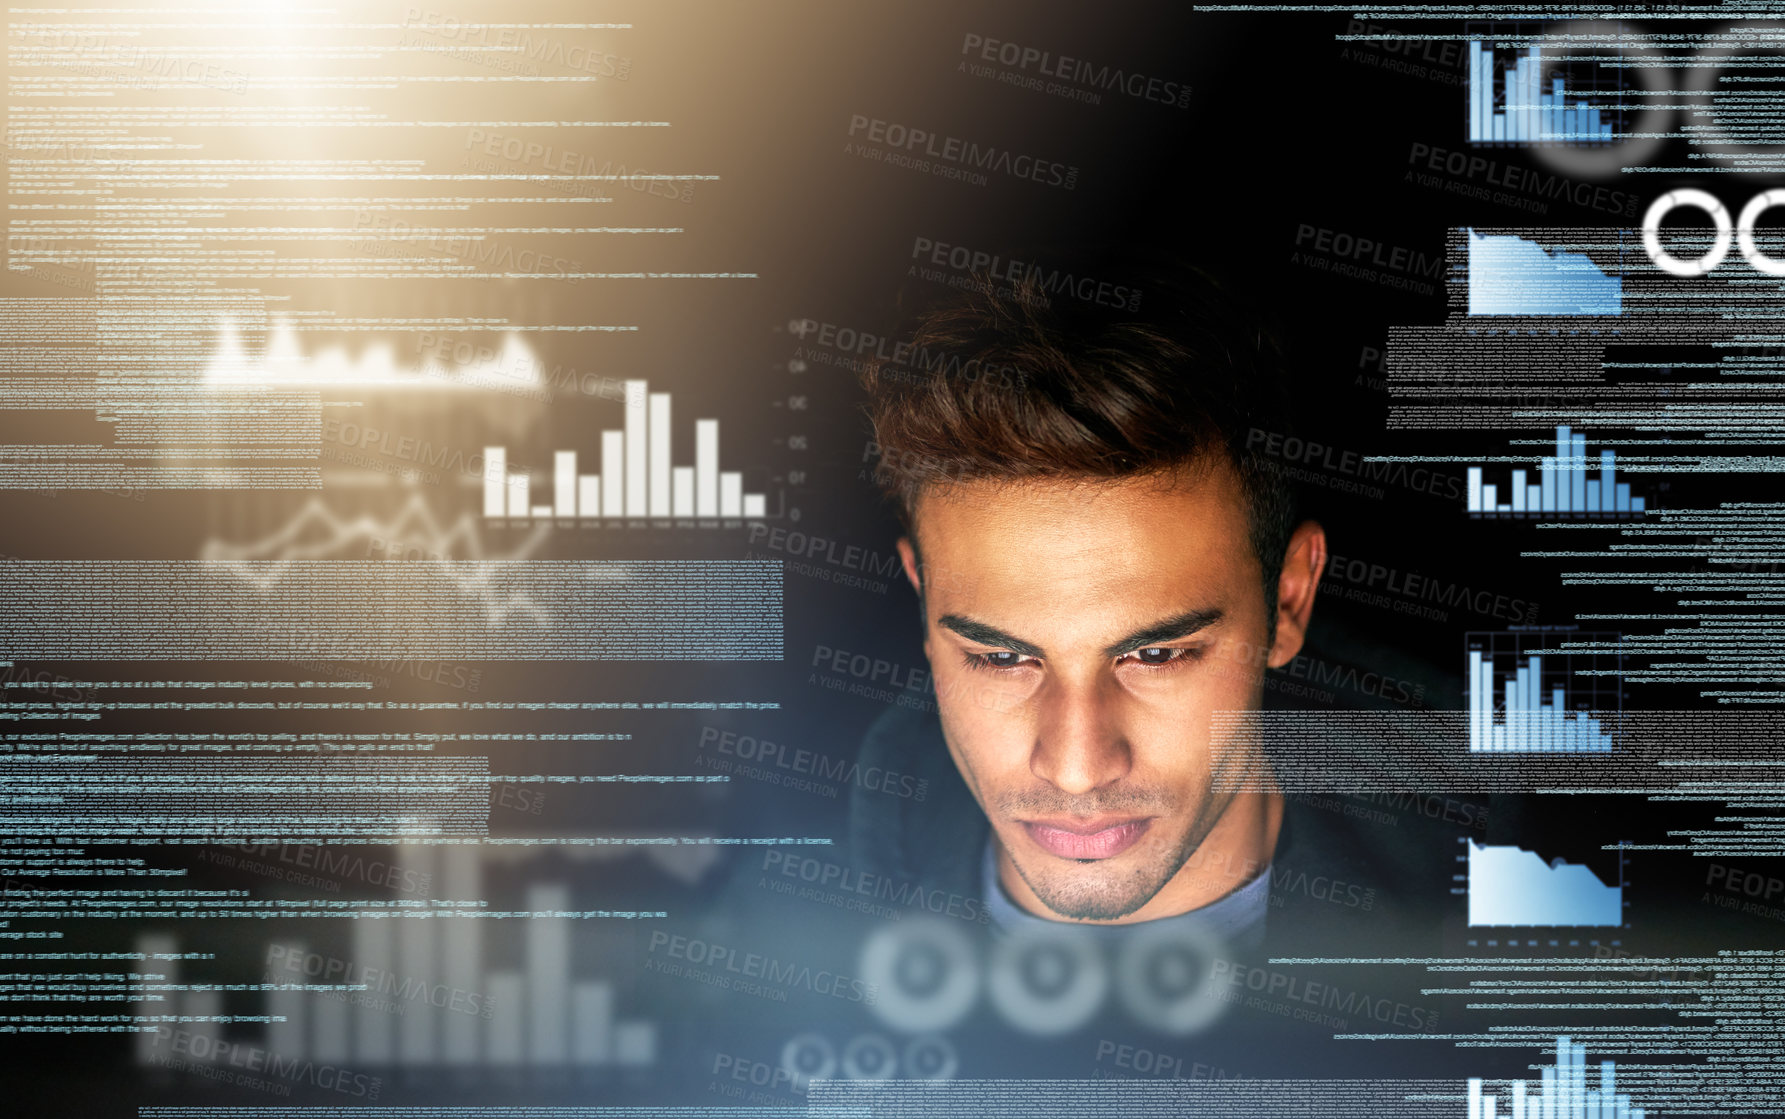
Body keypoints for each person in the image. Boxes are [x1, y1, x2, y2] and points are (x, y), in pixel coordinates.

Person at [848, 260, 1441, 955]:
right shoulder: (854, 819)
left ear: (1287, 600)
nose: (1076, 767)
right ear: (921, 596)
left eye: (1156, 654)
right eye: (1001, 657)